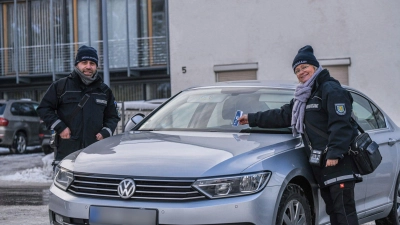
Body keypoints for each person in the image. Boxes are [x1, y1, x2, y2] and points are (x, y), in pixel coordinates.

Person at [238, 45, 361, 225]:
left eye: (304, 67)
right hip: (323, 164)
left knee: (344, 211)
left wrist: (335, 153)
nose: (301, 72)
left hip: (338, 163)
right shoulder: (305, 96)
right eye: (297, 70)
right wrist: (251, 118)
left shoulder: (330, 90)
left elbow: (341, 124)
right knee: (334, 211)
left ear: (315, 67)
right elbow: (282, 115)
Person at [37, 45, 120, 163]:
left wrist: (106, 132)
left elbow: (113, 116)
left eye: (92, 63)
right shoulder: (61, 86)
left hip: (95, 152)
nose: (88, 66)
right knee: (65, 182)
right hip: (67, 152)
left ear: (96, 66)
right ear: (77, 64)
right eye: (84, 62)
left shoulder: (104, 91)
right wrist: (60, 127)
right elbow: (44, 109)